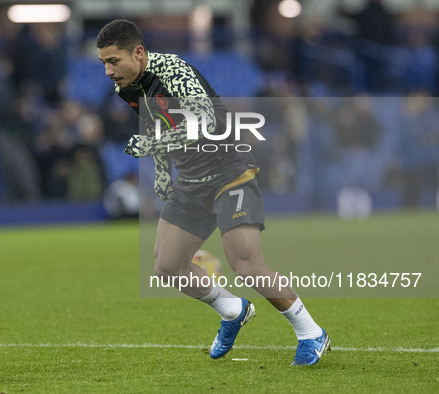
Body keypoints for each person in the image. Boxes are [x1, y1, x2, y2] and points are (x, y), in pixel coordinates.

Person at [96, 19, 330, 365]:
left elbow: (206, 122)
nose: (107, 71)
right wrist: (162, 174)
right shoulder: (127, 88)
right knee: (167, 267)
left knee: (246, 263)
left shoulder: (173, 71)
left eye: (113, 61)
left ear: (139, 53)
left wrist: (152, 143)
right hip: (191, 182)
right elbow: (154, 125)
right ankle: (233, 309)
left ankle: (311, 332)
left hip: (228, 172)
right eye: (103, 63)